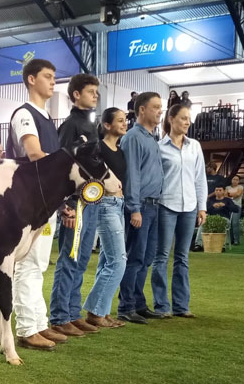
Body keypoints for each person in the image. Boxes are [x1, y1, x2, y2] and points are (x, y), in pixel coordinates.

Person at [5, 58, 65, 350]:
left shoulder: (45, 117)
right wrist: (67, 168)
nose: (53, 81)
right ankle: (28, 328)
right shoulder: (24, 114)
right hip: (27, 203)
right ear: (31, 79)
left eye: (54, 76)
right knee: (28, 264)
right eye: (47, 76)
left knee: (38, 264)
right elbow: (34, 154)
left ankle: (39, 323)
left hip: (45, 202)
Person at [49, 74, 108, 337]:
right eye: (90, 91)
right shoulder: (71, 125)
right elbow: (62, 166)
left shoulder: (91, 124)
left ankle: (73, 313)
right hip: (76, 203)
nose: (95, 95)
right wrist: (68, 205)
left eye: (96, 91)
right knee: (69, 258)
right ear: (76, 95)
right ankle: (60, 316)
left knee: (82, 259)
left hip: (91, 200)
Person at [150, 105, 207, 319]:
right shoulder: (159, 147)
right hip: (165, 205)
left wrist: (202, 206)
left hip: (189, 207)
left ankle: (181, 306)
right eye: (183, 118)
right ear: (171, 119)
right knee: (161, 256)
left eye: (188, 118)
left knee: (182, 257)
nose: (187, 122)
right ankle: (161, 306)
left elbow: (200, 178)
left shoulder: (195, 146)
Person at [117, 92, 164, 325]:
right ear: (142, 110)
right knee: (135, 256)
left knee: (146, 257)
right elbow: (132, 175)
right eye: (155, 107)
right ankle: (126, 306)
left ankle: (138, 303)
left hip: (153, 205)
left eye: (161, 107)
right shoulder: (134, 137)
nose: (160, 111)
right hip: (141, 206)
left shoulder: (151, 138)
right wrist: (134, 208)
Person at [83, 107, 127, 328]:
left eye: (125, 120)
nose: (124, 123)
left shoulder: (120, 150)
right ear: (107, 125)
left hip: (119, 205)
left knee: (107, 261)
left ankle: (102, 310)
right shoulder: (98, 149)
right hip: (105, 205)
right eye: (120, 120)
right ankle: (96, 312)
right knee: (118, 261)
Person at [226, 175, 244, 245]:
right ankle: (231, 240)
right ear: (231, 180)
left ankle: (236, 240)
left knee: (235, 223)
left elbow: (238, 194)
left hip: (237, 206)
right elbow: (225, 195)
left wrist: (229, 194)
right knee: (229, 223)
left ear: (239, 181)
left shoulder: (240, 187)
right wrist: (233, 194)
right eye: (234, 179)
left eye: (237, 180)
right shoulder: (227, 187)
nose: (235, 181)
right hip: (228, 206)